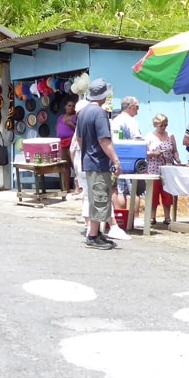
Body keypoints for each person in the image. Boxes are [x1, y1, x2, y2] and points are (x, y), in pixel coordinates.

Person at [75, 78, 122, 250]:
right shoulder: (99, 113)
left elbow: (79, 139)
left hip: (88, 161)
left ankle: (96, 233)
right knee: (100, 199)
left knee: (95, 198)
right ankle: (93, 236)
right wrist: (116, 160)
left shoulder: (83, 113)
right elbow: (104, 140)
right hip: (98, 163)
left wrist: (87, 152)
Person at [145, 113, 181, 226]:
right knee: (153, 192)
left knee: (167, 193)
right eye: (161, 125)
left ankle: (167, 217)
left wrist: (177, 158)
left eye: (165, 125)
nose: (164, 127)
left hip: (167, 168)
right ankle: (152, 216)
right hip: (153, 168)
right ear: (156, 124)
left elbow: (174, 150)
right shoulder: (150, 136)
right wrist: (154, 153)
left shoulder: (170, 135)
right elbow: (144, 153)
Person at [56, 97, 79, 194]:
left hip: (71, 143)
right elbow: (57, 127)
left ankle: (79, 187)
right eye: (69, 106)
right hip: (62, 143)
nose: (71, 108)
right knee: (65, 166)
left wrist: (70, 124)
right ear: (65, 107)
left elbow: (78, 129)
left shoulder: (75, 117)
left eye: (73, 106)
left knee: (75, 166)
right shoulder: (61, 117)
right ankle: (66, 188)